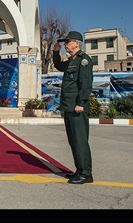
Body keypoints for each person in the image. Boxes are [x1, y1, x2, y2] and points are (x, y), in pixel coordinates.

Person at [53, 31, 94, 184]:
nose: (66, 44)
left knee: (80, 140)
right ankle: (79, 170)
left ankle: (86, 173)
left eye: (68, 41)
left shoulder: (84, 61)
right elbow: (58, 65)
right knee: (73, 140)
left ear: (77, 43)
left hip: (77, 107)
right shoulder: (72, 61)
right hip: (69, 106)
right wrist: (55, 52)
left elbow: (85, 84)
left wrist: (81, 103)